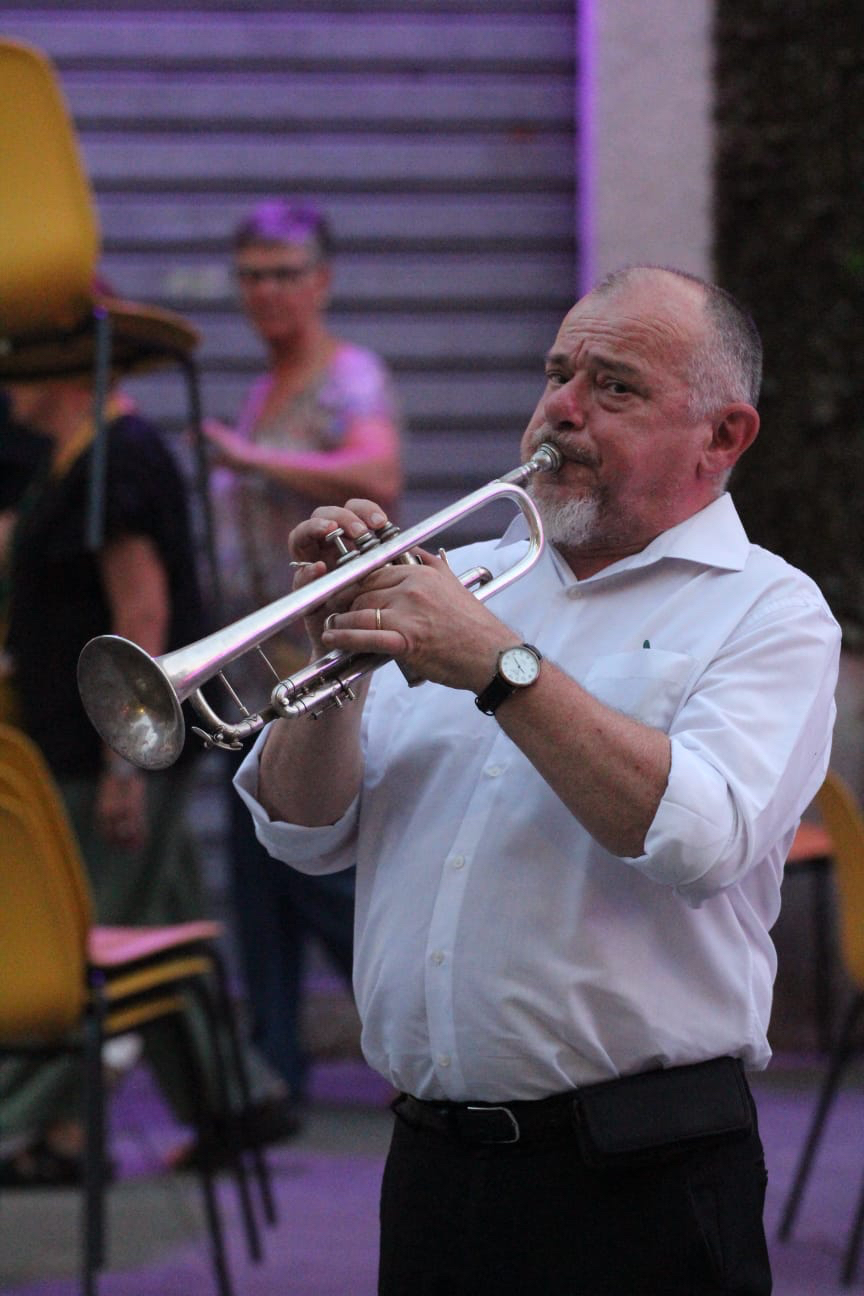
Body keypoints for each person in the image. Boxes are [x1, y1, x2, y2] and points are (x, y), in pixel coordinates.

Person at [233, 266, 841, 1294]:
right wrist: (334, 662)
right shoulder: (463, 576)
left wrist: (499, 666)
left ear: (722, 436)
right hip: (432, 1165)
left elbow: (699, 838)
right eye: (559, 374)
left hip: (640, 1175)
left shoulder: (769, 612)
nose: (562, 408)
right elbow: (301, 829)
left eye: (615, 387)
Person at [0, 285, 291, 1184]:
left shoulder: (117, 461)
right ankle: (234, 1102)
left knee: (85, 933)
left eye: (27, 364)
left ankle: (37, 1125)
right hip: (90, 743)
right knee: (156, 921)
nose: (11, 381)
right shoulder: (74, 459)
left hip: (113, 746)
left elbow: (143, 613)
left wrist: (125, 765)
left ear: (69, 375)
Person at [201, 199, 402, 1113]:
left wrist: (247, 459)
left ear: (321, 281)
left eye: (284, 273)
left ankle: (420, 1010)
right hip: (257, 677)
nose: (266, 291)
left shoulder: (347, 377)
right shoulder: (268, 387)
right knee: (261, 881)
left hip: (317, 675)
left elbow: (376, 473)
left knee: (312, 875)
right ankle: (272, 1072)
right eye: (251, 275)